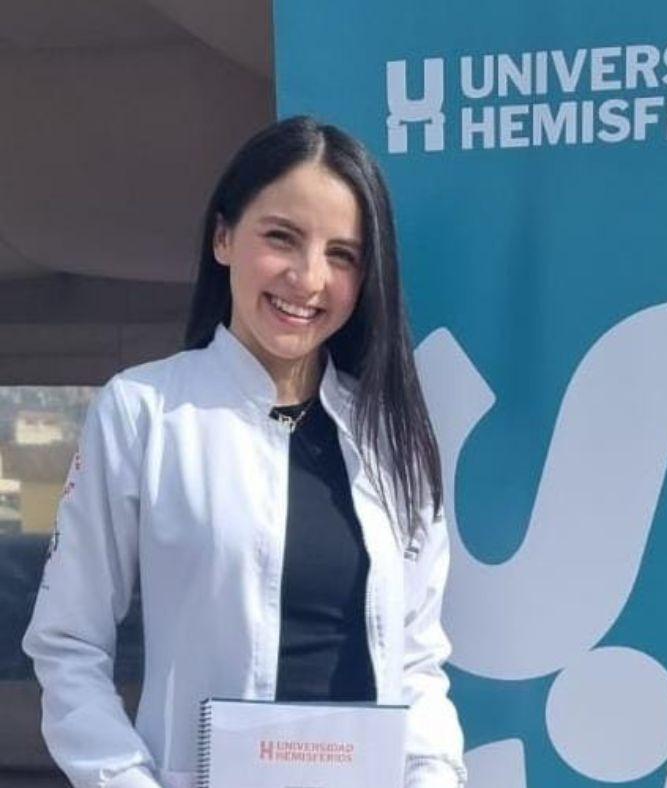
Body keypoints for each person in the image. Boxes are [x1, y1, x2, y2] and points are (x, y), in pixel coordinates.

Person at [22, 116, 467, 788]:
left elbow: (417, 661)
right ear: (224, 237)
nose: (308, 278)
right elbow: (68, 645)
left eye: (342, 255)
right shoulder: (145, 411)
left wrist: (432, 775)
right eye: (282, 237)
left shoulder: (390, 435)